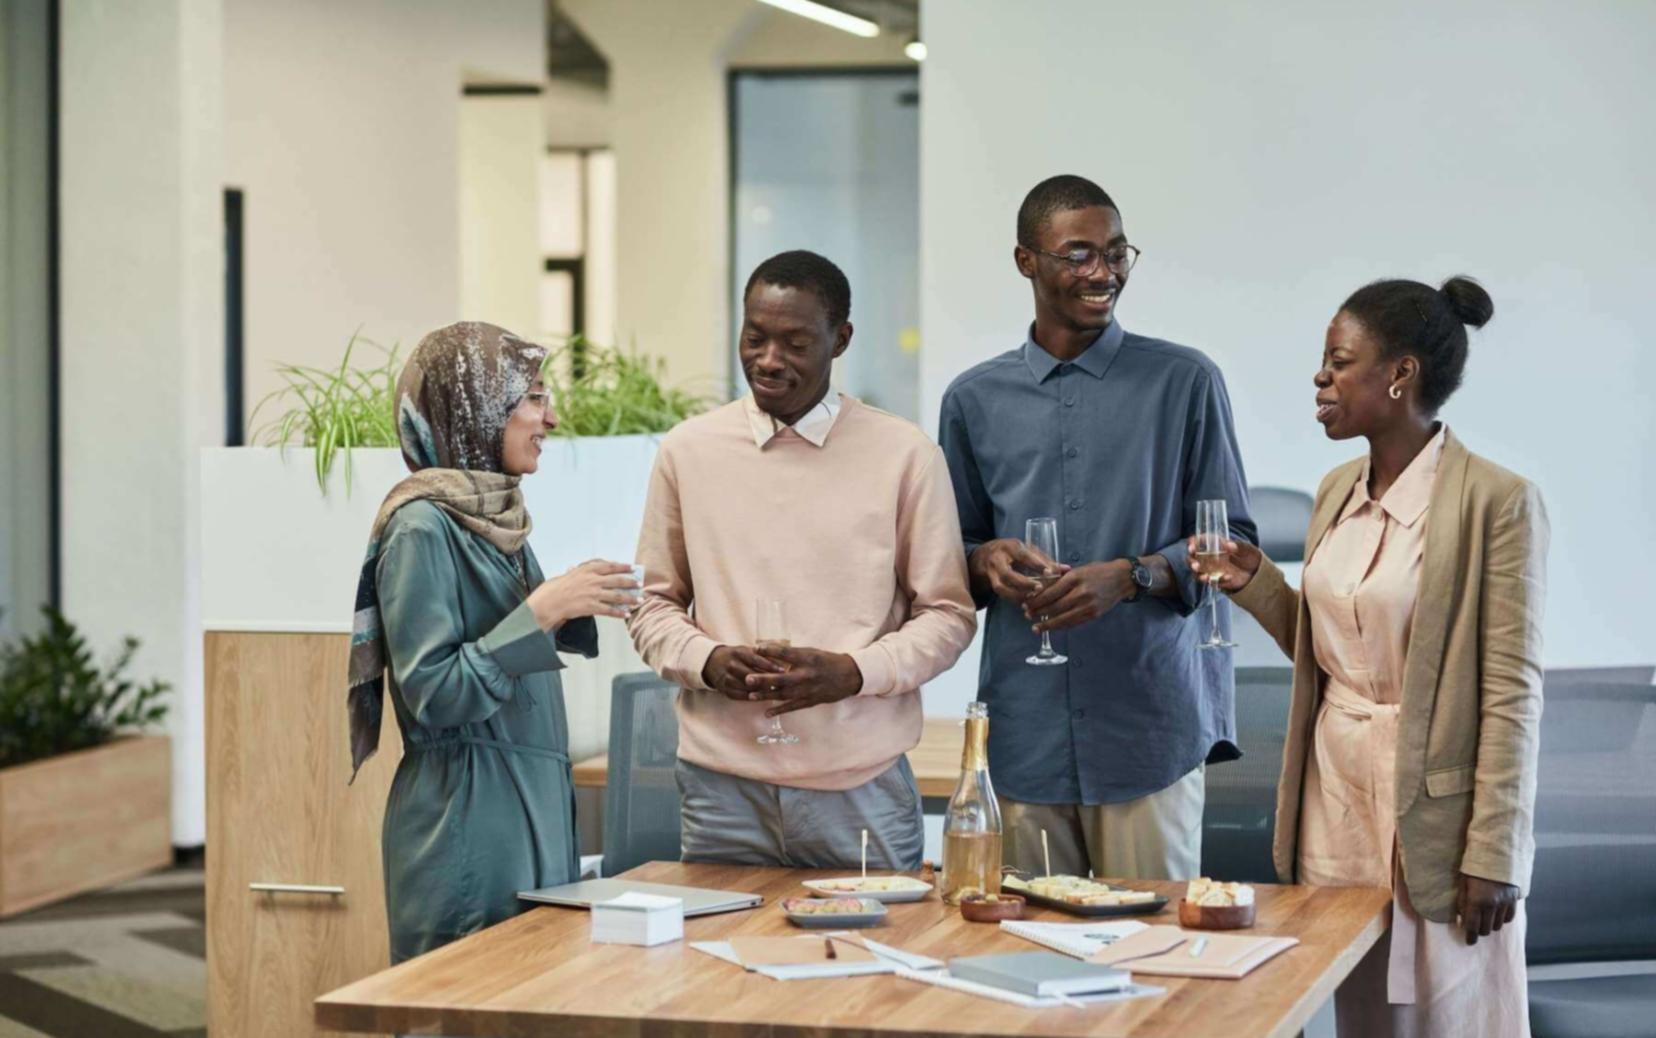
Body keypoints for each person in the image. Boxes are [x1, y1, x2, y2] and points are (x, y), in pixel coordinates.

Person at [1192, 276, 1546, 1037]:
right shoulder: (1334, 491)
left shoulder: (1497, 501)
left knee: (1453, 1014)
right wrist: (1256, 583)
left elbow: (1511, 694)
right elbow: (1328, 651)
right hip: (1336, 799)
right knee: (1366, 1016)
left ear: (1400, 374)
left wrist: (1496, 852)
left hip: (1439, 817)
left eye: (1339, 361)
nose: (1320, 379)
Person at [938, 174, 1255, 882]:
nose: (1103, 272)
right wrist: (984, 560)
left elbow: (1232, 542)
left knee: (1156, 944)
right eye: (1079, 254)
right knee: (1023, 938)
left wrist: (1134, 576)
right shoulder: (972, 400)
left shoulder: (1186, 381)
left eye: (1116, 253)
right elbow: (950, 553)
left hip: (1149, 729)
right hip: (1025, 734)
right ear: (1026, 261)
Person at [628, 250, 977, 869]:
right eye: (754, 338)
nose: (768, 360)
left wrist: (854, 672)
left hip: (861, 789)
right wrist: (706, 660)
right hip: (719, 791)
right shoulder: (687, 451)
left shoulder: (906, 455)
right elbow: (652, 603)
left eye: (794, 343)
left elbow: (948, 614)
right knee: (717, 938)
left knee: (884, 938)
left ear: (840, 340)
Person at [346, 321, 639, 963]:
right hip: (468, 825)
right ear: (474, 409)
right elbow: (433, 694)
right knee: (466, 1000)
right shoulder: (422, 528)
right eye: (532, 397)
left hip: (525, 810)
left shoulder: (491, 522)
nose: (550, 417)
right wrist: (543, 610)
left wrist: (570, 600)